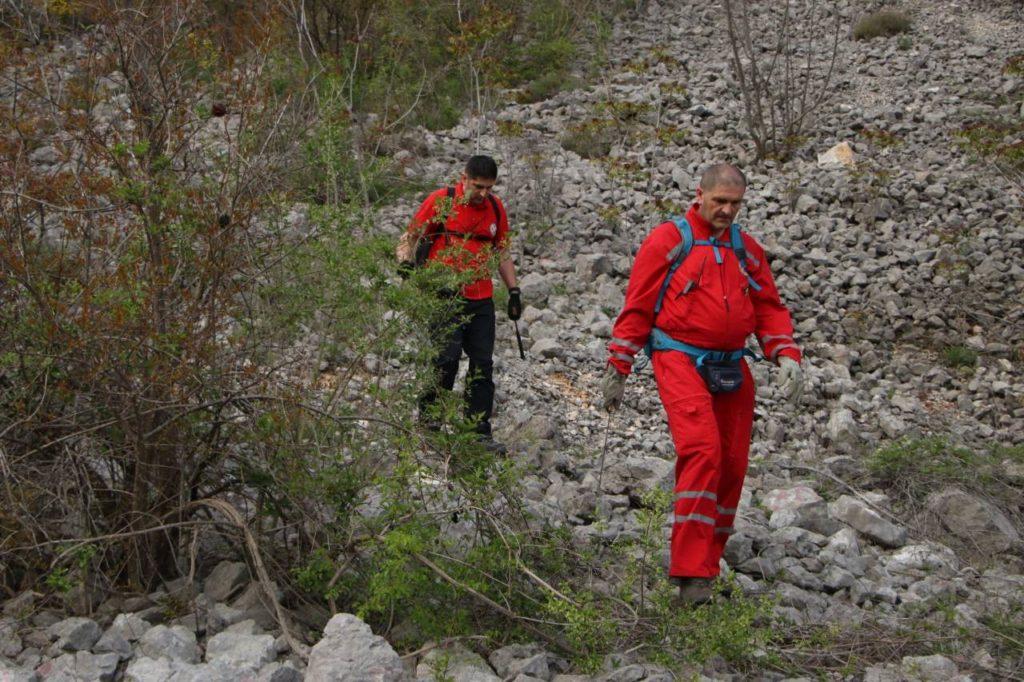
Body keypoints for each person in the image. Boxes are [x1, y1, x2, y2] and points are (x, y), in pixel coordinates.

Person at [600, 163, 803, 605]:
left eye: (735, 204)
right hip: (679, 357)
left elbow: (769, 306)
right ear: (700, 195)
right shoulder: (669, 241)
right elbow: (638, 304)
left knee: (731, 463)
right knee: (702, 451)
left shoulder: (745, 249)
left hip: (731, 365)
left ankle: (706, 570)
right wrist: (619, 364)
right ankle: (689, 574)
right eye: (720, 202)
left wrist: (785, 353)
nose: (727, 211)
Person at [397, 155, 521, 452]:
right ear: (463, 178)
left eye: (489, 188)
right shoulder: (441, 201)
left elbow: (501, 253)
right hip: (445, 296)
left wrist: (514, 291)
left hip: (481, 300)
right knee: (445, 361)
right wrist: (405, 264)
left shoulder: (495, 207)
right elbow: (410, 236)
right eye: (478, 187)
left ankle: (478, 433)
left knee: (482, 367)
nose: (483, 194)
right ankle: (430, 426)